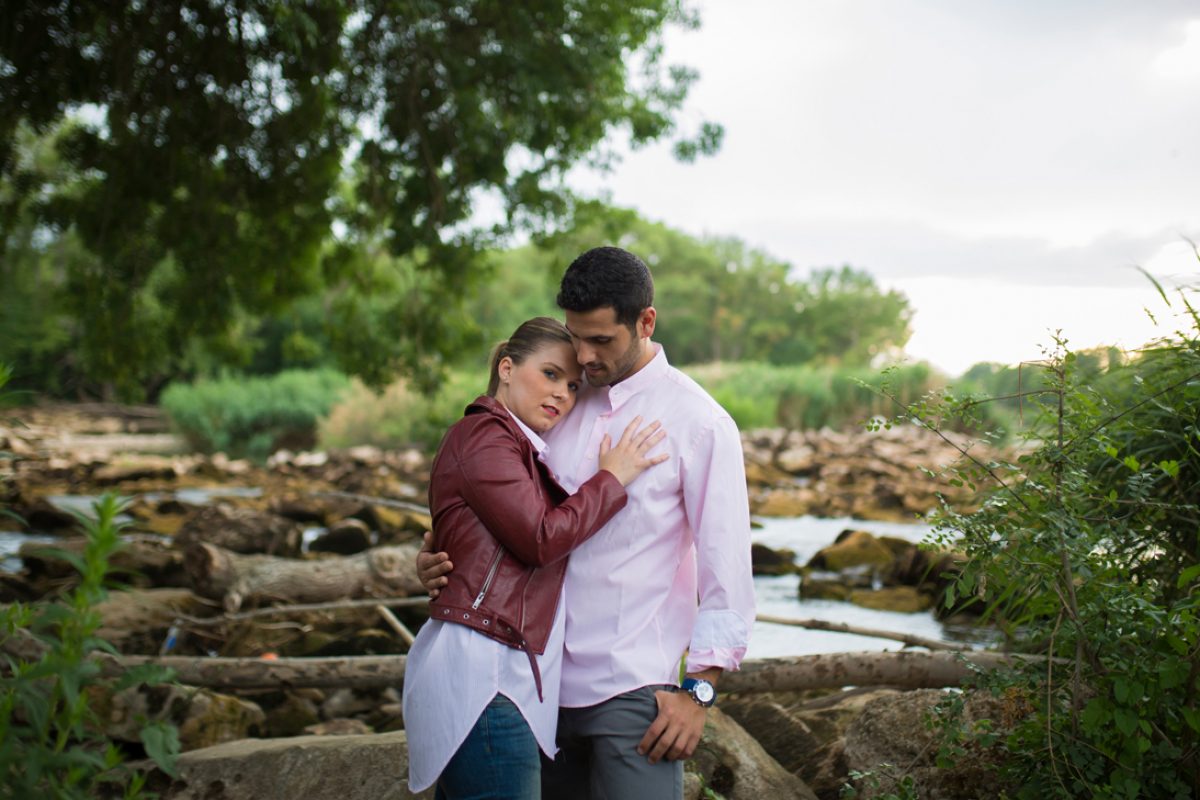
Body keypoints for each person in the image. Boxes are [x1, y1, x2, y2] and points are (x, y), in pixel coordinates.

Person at [419, 248, 756, 800]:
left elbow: (727, 578)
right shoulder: (559, 402)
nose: (584, 356)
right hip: (533, 685)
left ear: (645, 322)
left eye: (601, 341)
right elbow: (499, 503)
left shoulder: (700, 423)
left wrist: (698, 694)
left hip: (629, 692)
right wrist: (436, 555)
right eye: (577, 337)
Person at [402, 315, 668, 799]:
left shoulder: (519, 445)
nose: (563, 394)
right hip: (486, 679)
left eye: (572, 384)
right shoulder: (485, 436)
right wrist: (612, 478)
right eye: (549, 374)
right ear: (506, 367)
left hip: (504, 674)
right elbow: (541, 539)